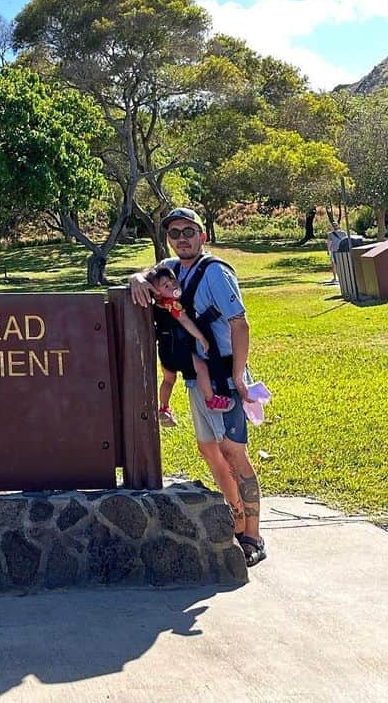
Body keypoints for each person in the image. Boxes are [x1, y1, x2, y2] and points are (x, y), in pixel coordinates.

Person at [130, 207, 267, 568]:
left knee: (233, 453)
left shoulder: (216, 273)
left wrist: (239, 378)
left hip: (223, 377)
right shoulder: (172, 269)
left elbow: (240, 324)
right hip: (195, 378)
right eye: (175, 233)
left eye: (189, 231)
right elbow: (147, 274)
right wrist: (137, 278)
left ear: (202, 235)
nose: (182, 238)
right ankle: (234, 519)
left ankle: (252, 533)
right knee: (210, 450)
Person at [142, 265, 234, 424]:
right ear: (156, 294)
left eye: (172, 281)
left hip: (164, 350)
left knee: (169, 380)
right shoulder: (172, 305)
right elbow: (185, 321)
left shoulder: (155, 306)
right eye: (166, 286)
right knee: (201, 367)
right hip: (178, 349)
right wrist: (201, 338)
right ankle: (211, 399)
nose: (173, 286)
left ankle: (163, 408)